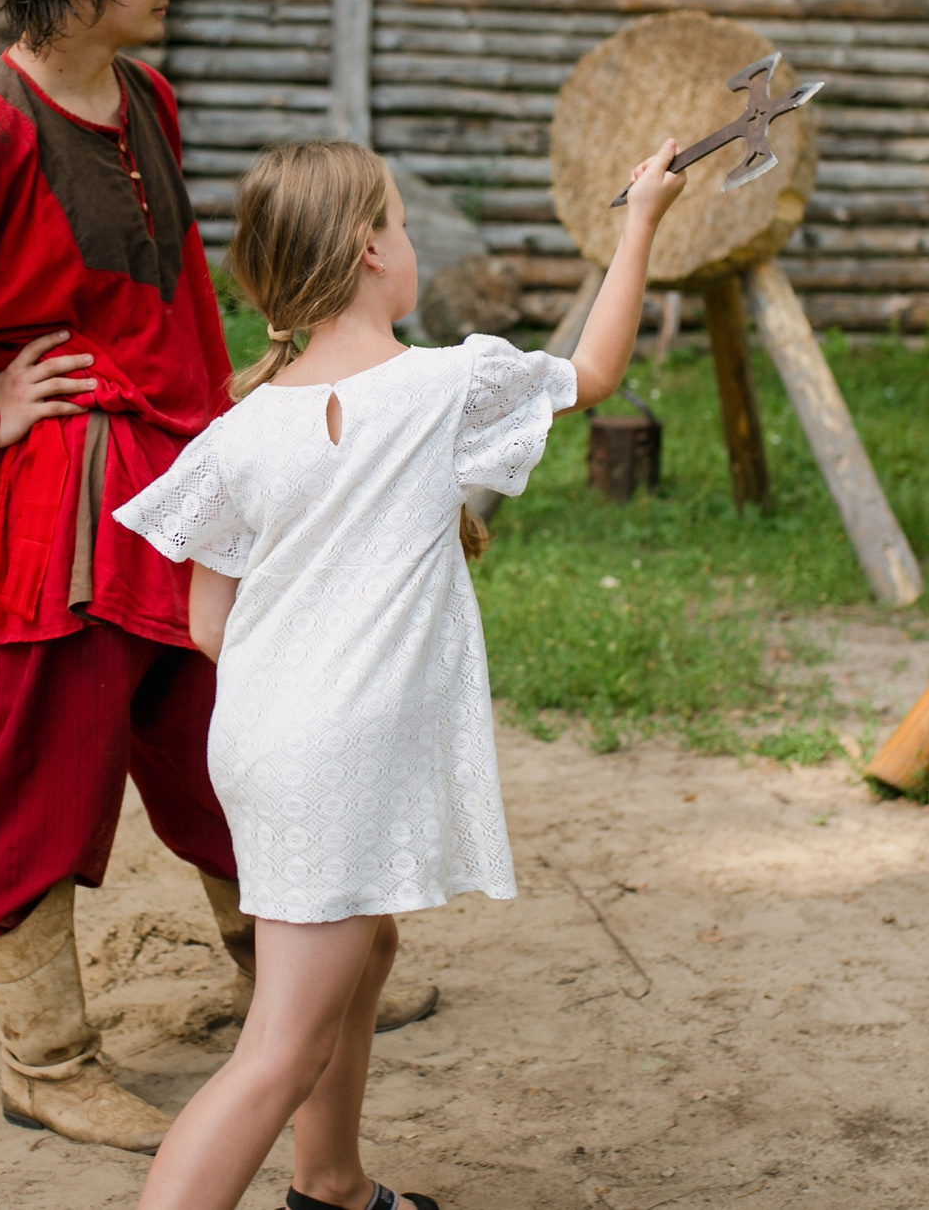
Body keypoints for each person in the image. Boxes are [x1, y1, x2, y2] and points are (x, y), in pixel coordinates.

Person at [0, 0, 432, 1155]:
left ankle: (289, 984)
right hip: (73, 517)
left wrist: (235, 440)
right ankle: (43, 1056)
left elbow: (173, 298)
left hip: (172, 492)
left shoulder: (148, 97)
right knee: (50, 776)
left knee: (227, 745)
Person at [115, 134, 686, 1210]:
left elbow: (204, 621)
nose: (409, 241)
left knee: (362, 944)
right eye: (403, 223)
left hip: (261, 742)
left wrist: (299, 688)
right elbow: (597, 371)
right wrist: (641, 220)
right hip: (335, 754)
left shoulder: (242, 430)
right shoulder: (438, 385)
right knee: (275, 1051)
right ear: (373, 249)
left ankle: (329, 1186)